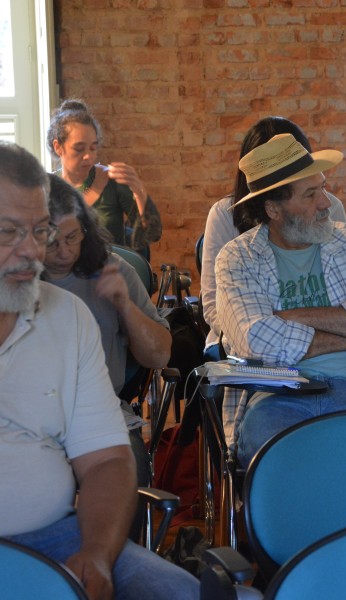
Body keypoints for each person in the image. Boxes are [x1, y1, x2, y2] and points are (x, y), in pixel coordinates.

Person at [0, 142, 200, 598]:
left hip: (56, 535)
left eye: (40, 231)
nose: (31, 251)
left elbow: (108, 459)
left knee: (180, 592)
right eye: (9, 231)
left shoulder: (66, 314)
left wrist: (97, 552)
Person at [215, 133, 346, 468]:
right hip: (277, 396)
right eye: (311, 194)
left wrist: (287, 316)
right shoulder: (238, 258)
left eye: (322, 187)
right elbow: (255, 341)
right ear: (273, 208)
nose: (326, 202)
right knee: (278, 463)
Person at [43, 174, 172, 506]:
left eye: (73, 237)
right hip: (30, 414)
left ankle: (113, 557)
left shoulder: (113, 270)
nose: (64, 251)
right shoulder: (12, 277)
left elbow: (159, 356)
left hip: (98, 410)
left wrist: (124, 306)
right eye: (51, 240)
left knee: (127, 469)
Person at [201, 116, 346, 360]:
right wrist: (252, 329)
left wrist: (278, 321)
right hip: (245, 347)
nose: (321, 201)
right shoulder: (225, 215)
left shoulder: (329, 207)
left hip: (330, 346)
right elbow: (213, 305)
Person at [47, 99, 162, 258]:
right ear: (58, 147)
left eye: (93, 148)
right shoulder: (47, 188)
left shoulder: (112, 181)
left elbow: (152, 235)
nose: (88, 156)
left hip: (109, 273)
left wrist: (139, 192)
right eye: (79, 149)